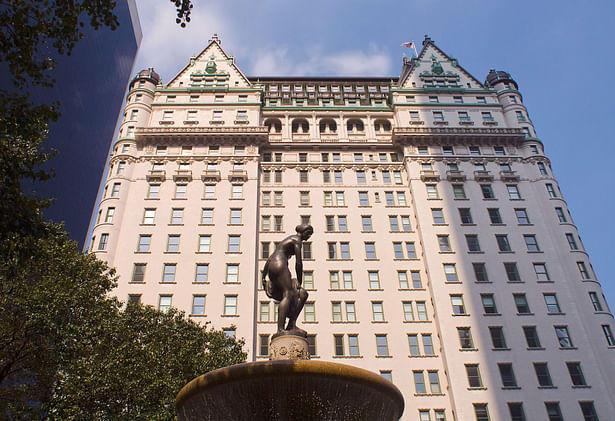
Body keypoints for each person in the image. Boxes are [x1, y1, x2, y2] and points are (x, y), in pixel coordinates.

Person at [262, 224, 313, 338]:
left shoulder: (288, 240)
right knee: (288, 294)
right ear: (303, 232)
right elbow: (299, 263)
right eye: (308, 233)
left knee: (302, 294)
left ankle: (291, 324)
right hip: (280, 265)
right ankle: (280, 329)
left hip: (273, 266)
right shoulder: (296, 240)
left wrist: (263, 276)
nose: (309, 236)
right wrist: (299, 280)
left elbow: (270, 258)